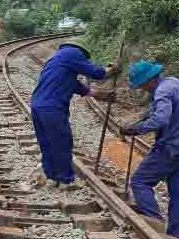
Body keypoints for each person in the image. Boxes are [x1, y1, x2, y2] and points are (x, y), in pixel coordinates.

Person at [120, 61, 179, 239]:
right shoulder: (174, 82)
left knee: (140, 181)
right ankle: (177, 237)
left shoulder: (161, 91)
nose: (142, 89)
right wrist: (144, 116)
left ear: (148, 81)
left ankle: (154, 225)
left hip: (171, 147)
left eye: (141, 85)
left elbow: (161, 119)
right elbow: (164, 109)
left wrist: (136, 129)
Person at [29, 42, 117, 190]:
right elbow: (97, 73)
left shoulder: (57, 66)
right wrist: (111, 69)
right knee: (62, 143)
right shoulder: (72, 53)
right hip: (52, 108)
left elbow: (87, 91)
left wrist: (105, 96)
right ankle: (65, 180)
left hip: (37, 106)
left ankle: (52, 177)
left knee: (48, 143)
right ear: (80, 52)